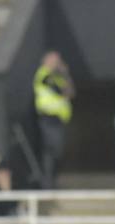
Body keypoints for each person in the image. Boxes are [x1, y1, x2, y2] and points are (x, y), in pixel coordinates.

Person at [33, 50, 72, 189]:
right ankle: (48, 183)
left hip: (58, 119)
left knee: (57, 151)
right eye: (54, 61)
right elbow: (60, 91)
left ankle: (52, 181)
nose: (56, 63)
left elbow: (70, 92)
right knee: (51, 150)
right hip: (48, 118)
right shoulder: (43, 74)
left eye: (58, 61)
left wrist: (65, 74)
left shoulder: (57, 77)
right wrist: (64, 76)